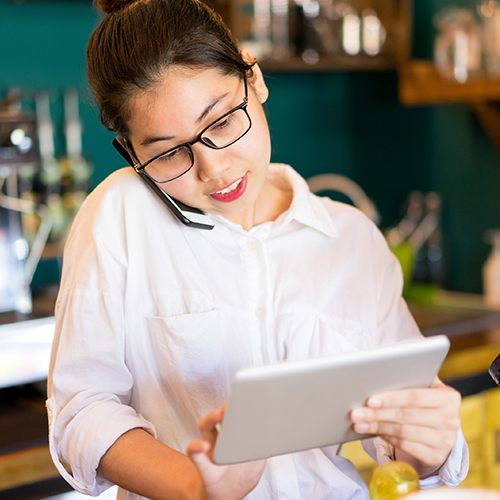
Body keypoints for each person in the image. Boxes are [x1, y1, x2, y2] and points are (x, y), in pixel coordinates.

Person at [46, 0, 469, 498]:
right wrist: (197, 487)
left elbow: (400, 434)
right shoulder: (120, 216)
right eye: (167, 153)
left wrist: (430, 444)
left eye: (222, 122)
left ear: (255, 79)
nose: (213, 169)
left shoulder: (351, 239)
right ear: (131, 151)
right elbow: (81, 409)